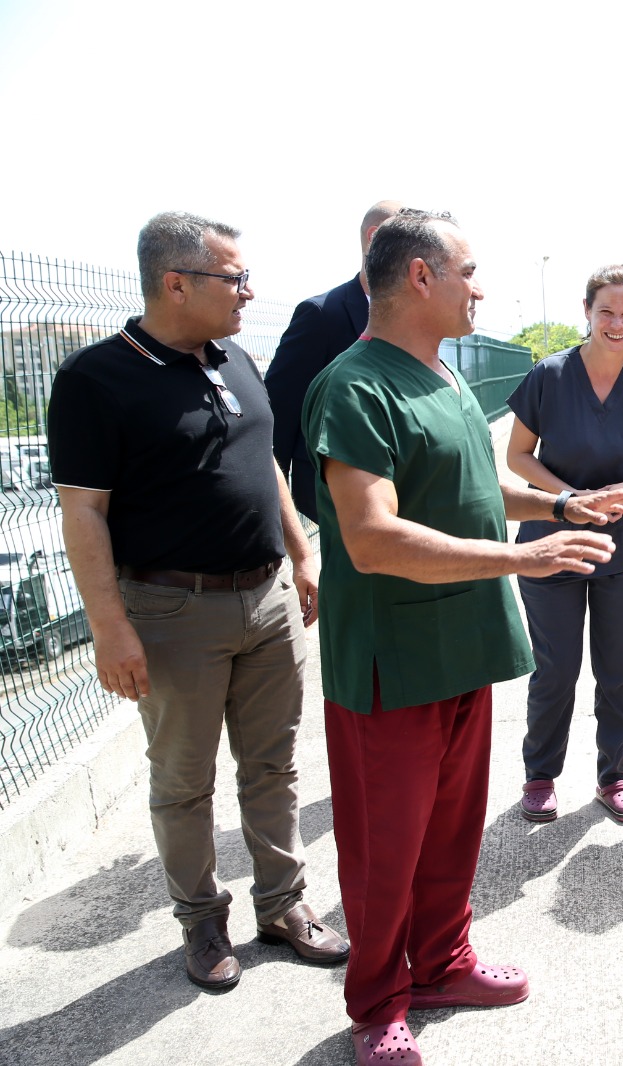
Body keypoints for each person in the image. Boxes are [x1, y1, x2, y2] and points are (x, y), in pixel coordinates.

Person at [302, 208, 623, 1066]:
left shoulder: (444, 378)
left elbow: (480, 489)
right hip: (391, 661)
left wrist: (561, 507)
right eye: (469, 270)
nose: (480, 287)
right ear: (422, 276)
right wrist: (523, 561)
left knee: (452, 831)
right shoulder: (354, 386)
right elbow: (371, 536)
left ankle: (444, 964)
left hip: (464, 649)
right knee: (387, 848)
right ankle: (378, 1003)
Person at [47, 211, 349, 992]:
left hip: (268, 600)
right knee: (184, 781)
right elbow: (83, 511)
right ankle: (201, 921)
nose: (250, 290)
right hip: (172, 612)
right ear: (175, 284)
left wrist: (302, 553)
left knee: (274, 765)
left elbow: (263, 466)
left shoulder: (236, 358)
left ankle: (282, 907)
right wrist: (109, 629)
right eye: (234, 278)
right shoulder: (95, 379)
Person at [506, 265, 623, 826]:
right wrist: (570, 498)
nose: (617, 322)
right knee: (556, 668)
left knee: (618, 670)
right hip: (554, 540)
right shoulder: (550, 376)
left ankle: (615, 775)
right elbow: (518, 457)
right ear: (587, 312)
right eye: (606, 311)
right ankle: (540, 775)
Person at [265, 200, 404, 517]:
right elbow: (280, 411)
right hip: (329, 490)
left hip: (396, 481)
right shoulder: (321, 314)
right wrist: (277, 515)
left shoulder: (415, 316)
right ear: (374, 237)